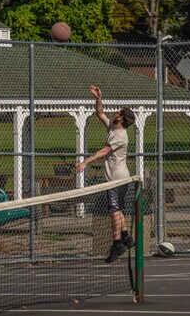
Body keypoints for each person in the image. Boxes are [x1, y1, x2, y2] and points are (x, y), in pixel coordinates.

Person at [75, 85, 136, 263]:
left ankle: (117, 243)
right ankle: (126, 237)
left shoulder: (121, 136)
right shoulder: (112, 128)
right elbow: (99, 113)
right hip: (114, 178)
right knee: (117, 211)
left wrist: (86, 161)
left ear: (122, 119)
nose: (115, 112)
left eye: (119, 112)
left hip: (117, 179)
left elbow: (104, 151)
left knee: (114, 211)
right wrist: (99, 97)